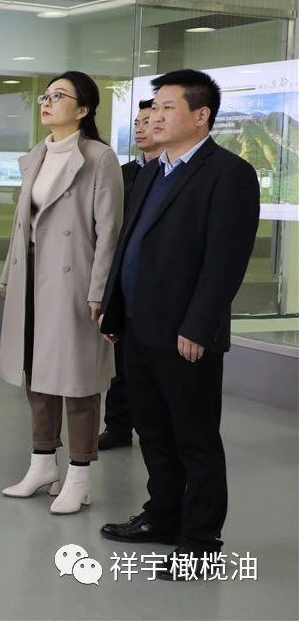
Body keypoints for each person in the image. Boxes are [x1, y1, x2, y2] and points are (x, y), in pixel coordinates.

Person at [99, 69, 260, 575]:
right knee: (152, 430)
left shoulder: (228, 173)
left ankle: (200, 541)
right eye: (154, 107)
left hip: (185, 333)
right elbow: (128, 246)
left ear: (201, 115)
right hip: (138, 326)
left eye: (168, 107)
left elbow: (225, 262)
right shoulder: (151, 171)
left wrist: (199, 326)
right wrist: (114, 309)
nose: (156, 116)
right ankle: (162, 515)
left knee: (194, 437)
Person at [0, 71, 123, 515]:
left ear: (83, 109)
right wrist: (9, 276)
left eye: (59, 96)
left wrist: (99, 290)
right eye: (45, 96)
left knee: (78, 380)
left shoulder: (98, 157)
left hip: (75, 282)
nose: (47, 102)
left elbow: (109, 231)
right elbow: (22, 224)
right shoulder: (36, 155)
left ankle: (80, 476)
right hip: (32, 278)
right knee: (36, 371)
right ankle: (42, 463)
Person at [98, 99, 162, 451]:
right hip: (123, 278)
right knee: (121, 364)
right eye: (137, 122)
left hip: (158, 287)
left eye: (147, 121)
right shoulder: (123, 174)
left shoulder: (173, 175)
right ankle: (118, 426)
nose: (140, 127)